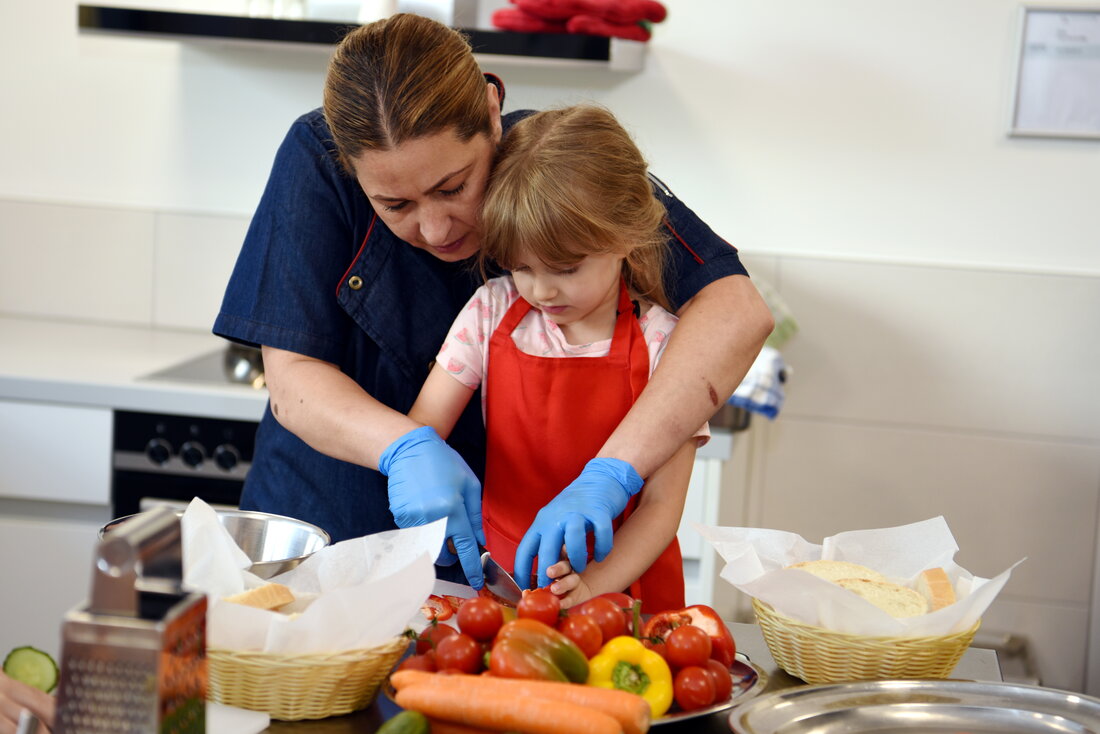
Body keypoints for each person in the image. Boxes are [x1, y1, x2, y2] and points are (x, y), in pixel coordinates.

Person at [213, 13, 773, 591]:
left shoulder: (550, 168)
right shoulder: (316, 157)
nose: (434, 229)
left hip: (498, 561)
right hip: (323, 535)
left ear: (490, 112)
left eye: (454, 187)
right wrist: (403, 448)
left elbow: (735, 310)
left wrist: (612, 475)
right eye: (394, 205)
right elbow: (292, 381)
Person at [409, 105, 705, 611]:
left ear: (625, 237)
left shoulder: (666, 346)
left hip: (625, 598)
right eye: (521, 266)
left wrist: (595, 586)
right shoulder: (490, 312)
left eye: (566, 268)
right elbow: (425, 428)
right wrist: (420, 471)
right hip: (508, 588)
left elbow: (660, 508)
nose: (541, 290)